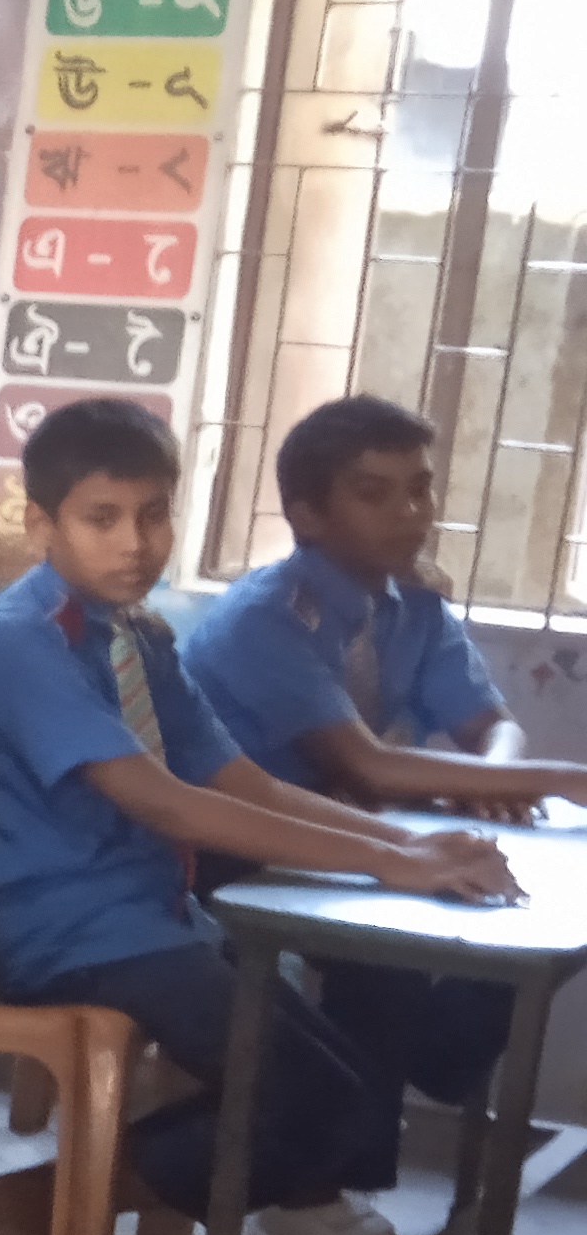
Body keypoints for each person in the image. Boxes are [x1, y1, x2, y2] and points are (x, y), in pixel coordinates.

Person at [0, 397, 518, 1235]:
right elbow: (167, 802)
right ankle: (27, 1205)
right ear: (41, 525)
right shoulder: (20, 644)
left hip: (155, 918)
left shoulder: (131, 635)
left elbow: (242, 780)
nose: (135, 543)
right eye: (101, 519)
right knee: (311, 1098)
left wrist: (406, 845)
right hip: (70, 934)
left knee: (342, 1096)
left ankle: (42, 1204)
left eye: (153, 515)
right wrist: (384, 865)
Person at [181, 391, 584, 1110]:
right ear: (307, 515)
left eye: (421, 489)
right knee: (388, 957)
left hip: (346, 835)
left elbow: (493, 724)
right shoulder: (266, 617)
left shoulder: (413, 605)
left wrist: (494, 782)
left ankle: (403, 1089)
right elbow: (362, 763)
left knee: (504, 897)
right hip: (231, 848)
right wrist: (557, 777)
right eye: (375, 494)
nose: (411, 513)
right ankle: (363, 1122)